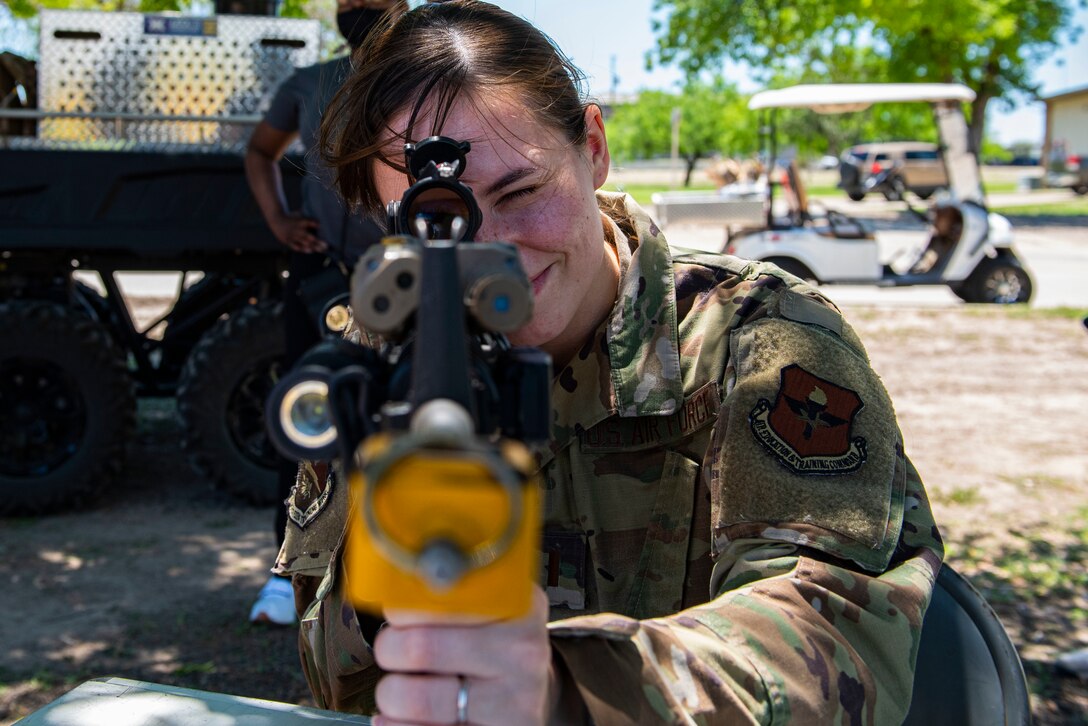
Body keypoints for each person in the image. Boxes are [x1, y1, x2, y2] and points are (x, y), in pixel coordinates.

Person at [274, 1, 945, 722]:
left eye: (522, 191)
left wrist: (571, 692)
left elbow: (835, 635)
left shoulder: (760, 340)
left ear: (592, 147)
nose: (493, 251)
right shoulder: (375, 365)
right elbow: (331, 665)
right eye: (435, 223)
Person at [244, 0, 406, 625]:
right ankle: (287, 575)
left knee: (400, 423)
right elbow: (259, 154)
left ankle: (389, 573)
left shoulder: (428, 72)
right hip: (324, 282)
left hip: (405, 281)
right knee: (305, 421)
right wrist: (279, 220)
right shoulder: (309, 84)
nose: (355, 5)